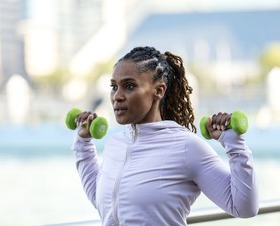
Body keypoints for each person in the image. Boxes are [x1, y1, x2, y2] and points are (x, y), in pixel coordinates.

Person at [72, 46, 259, 226]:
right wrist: (83, 142)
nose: (117, 96)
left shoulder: (187, 147)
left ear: (159, 91)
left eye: (129, 86)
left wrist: (234, 144)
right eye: (114, 87)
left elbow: (244, 207)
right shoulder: (116, 143)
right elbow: (101, 199)